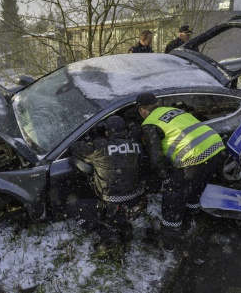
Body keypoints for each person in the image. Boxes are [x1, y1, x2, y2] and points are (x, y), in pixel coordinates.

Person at [135, 92, 225, 255]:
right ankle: (188, 220)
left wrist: (165, 177)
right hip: (215, 148)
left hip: (194, 158)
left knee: (172, 196)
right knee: (195, 187)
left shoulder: (149, 123)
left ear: (142, 110)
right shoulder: (173, 110)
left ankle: (168, 241)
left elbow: (156, 159)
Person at [68, 116, 144, 255]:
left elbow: (75, 147)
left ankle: (107, 235)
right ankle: (123, 226)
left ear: (107, 132)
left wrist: (93, 139)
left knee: (73, 206)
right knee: (118, 212)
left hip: (112, 202)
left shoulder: (100, 147)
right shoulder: (135, 144)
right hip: (135, 198)